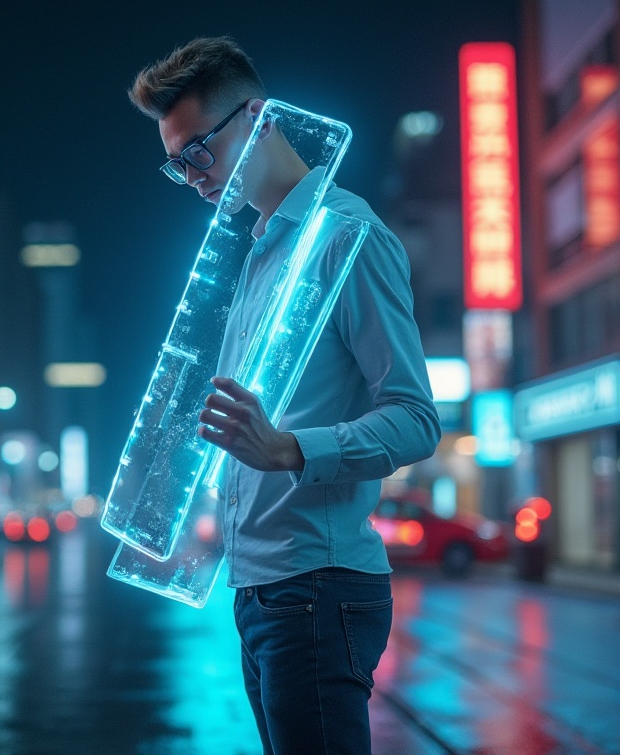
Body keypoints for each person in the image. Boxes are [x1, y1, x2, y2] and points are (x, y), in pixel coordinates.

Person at [128, 37, 441, 754]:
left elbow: (418, 419)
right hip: (263, 587)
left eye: (198, 152)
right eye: (175, 166)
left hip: (316, 586)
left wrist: (290, 448)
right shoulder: (258, 255)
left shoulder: (346, 237)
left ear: (260, 117)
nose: (192, 177)